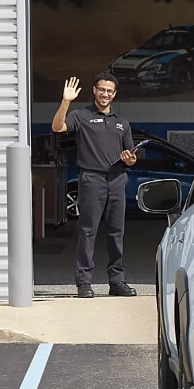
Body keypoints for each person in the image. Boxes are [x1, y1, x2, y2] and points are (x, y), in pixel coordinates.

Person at [52, 72, 138, 298]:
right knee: (88, 232)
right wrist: (66, 101)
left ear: (114, 94)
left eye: (110, 91)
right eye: (102, 90)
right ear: (94, 90)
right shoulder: (81, 116)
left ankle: (117, 281)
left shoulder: (122, 123)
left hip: (118, 179)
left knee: (116, 233)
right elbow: (57, 127)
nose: (105, 94)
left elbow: (132, 155)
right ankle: (84, 283)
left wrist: (131, 159)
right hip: (91, 179)